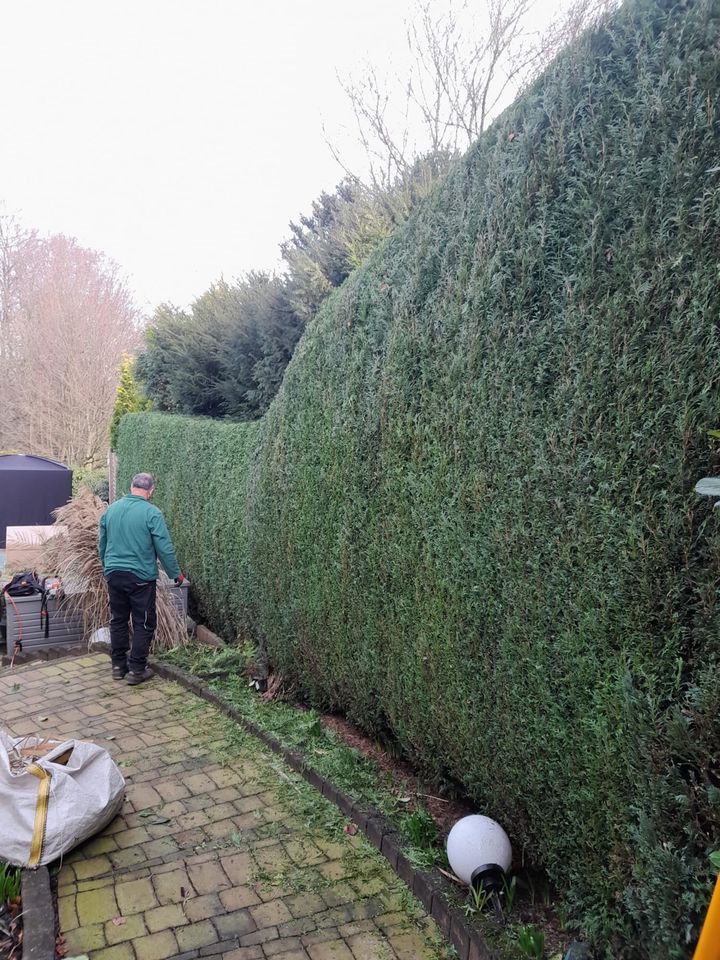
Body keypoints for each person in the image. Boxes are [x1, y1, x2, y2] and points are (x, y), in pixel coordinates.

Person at [98, 472, 185, 684]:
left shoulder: (111, 510)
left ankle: (118, 666)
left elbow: (103, 543)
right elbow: (163, 547)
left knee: (118, 620)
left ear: (131, 487)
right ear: (151, 490)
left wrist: (106, 567)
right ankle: (137, 669)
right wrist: (175, 573)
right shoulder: (152, 513)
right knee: (144, 622)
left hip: (114, 574)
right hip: (140, 577)